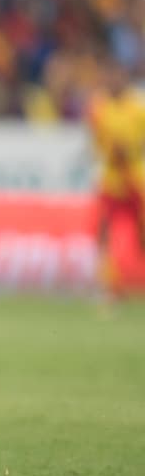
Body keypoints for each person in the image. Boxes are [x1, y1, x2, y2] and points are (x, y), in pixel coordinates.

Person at [86, 55, 145, 306]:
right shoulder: (99, 108)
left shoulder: (138, 108)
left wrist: (129, 149)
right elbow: (96, 143)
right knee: (104, 230)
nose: (112, 81)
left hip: (136, 178)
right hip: (112, 179)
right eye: (109, 76)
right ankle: (109, 285)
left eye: (117, 76)